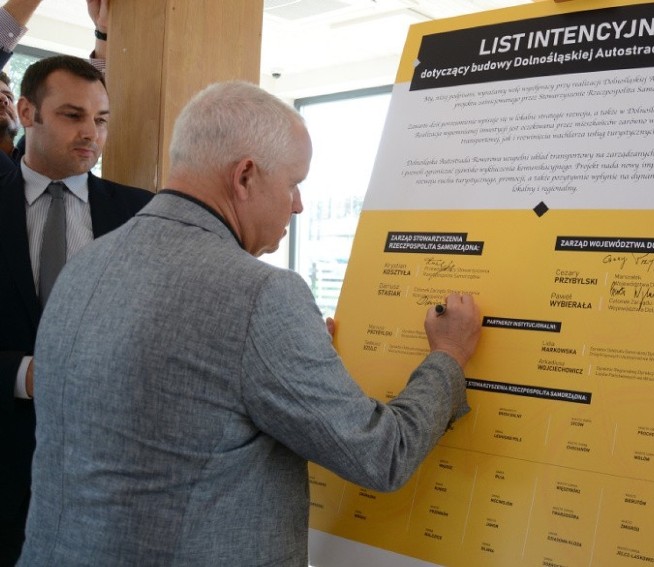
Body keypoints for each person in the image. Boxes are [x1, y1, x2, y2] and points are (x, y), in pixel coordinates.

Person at [19, 80, 482, 566]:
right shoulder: (261, 294)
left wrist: (281, 354)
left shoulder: (85, 264)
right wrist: (447, 357)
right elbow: (382, 455)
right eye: (293, 183)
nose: (298, 204)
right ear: (244, 177)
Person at [0, 55, 152, 565]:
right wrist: (25, 375)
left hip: (113, 468)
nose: (91, 132)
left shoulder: (142, 214)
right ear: (27, 111)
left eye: (101, 119)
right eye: (72, 115)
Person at [0, 0, 111, 169]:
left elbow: (95, 100)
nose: (3, 99)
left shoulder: (33, 162)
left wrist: (103, 30)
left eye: (8, 95)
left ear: (24, 112)